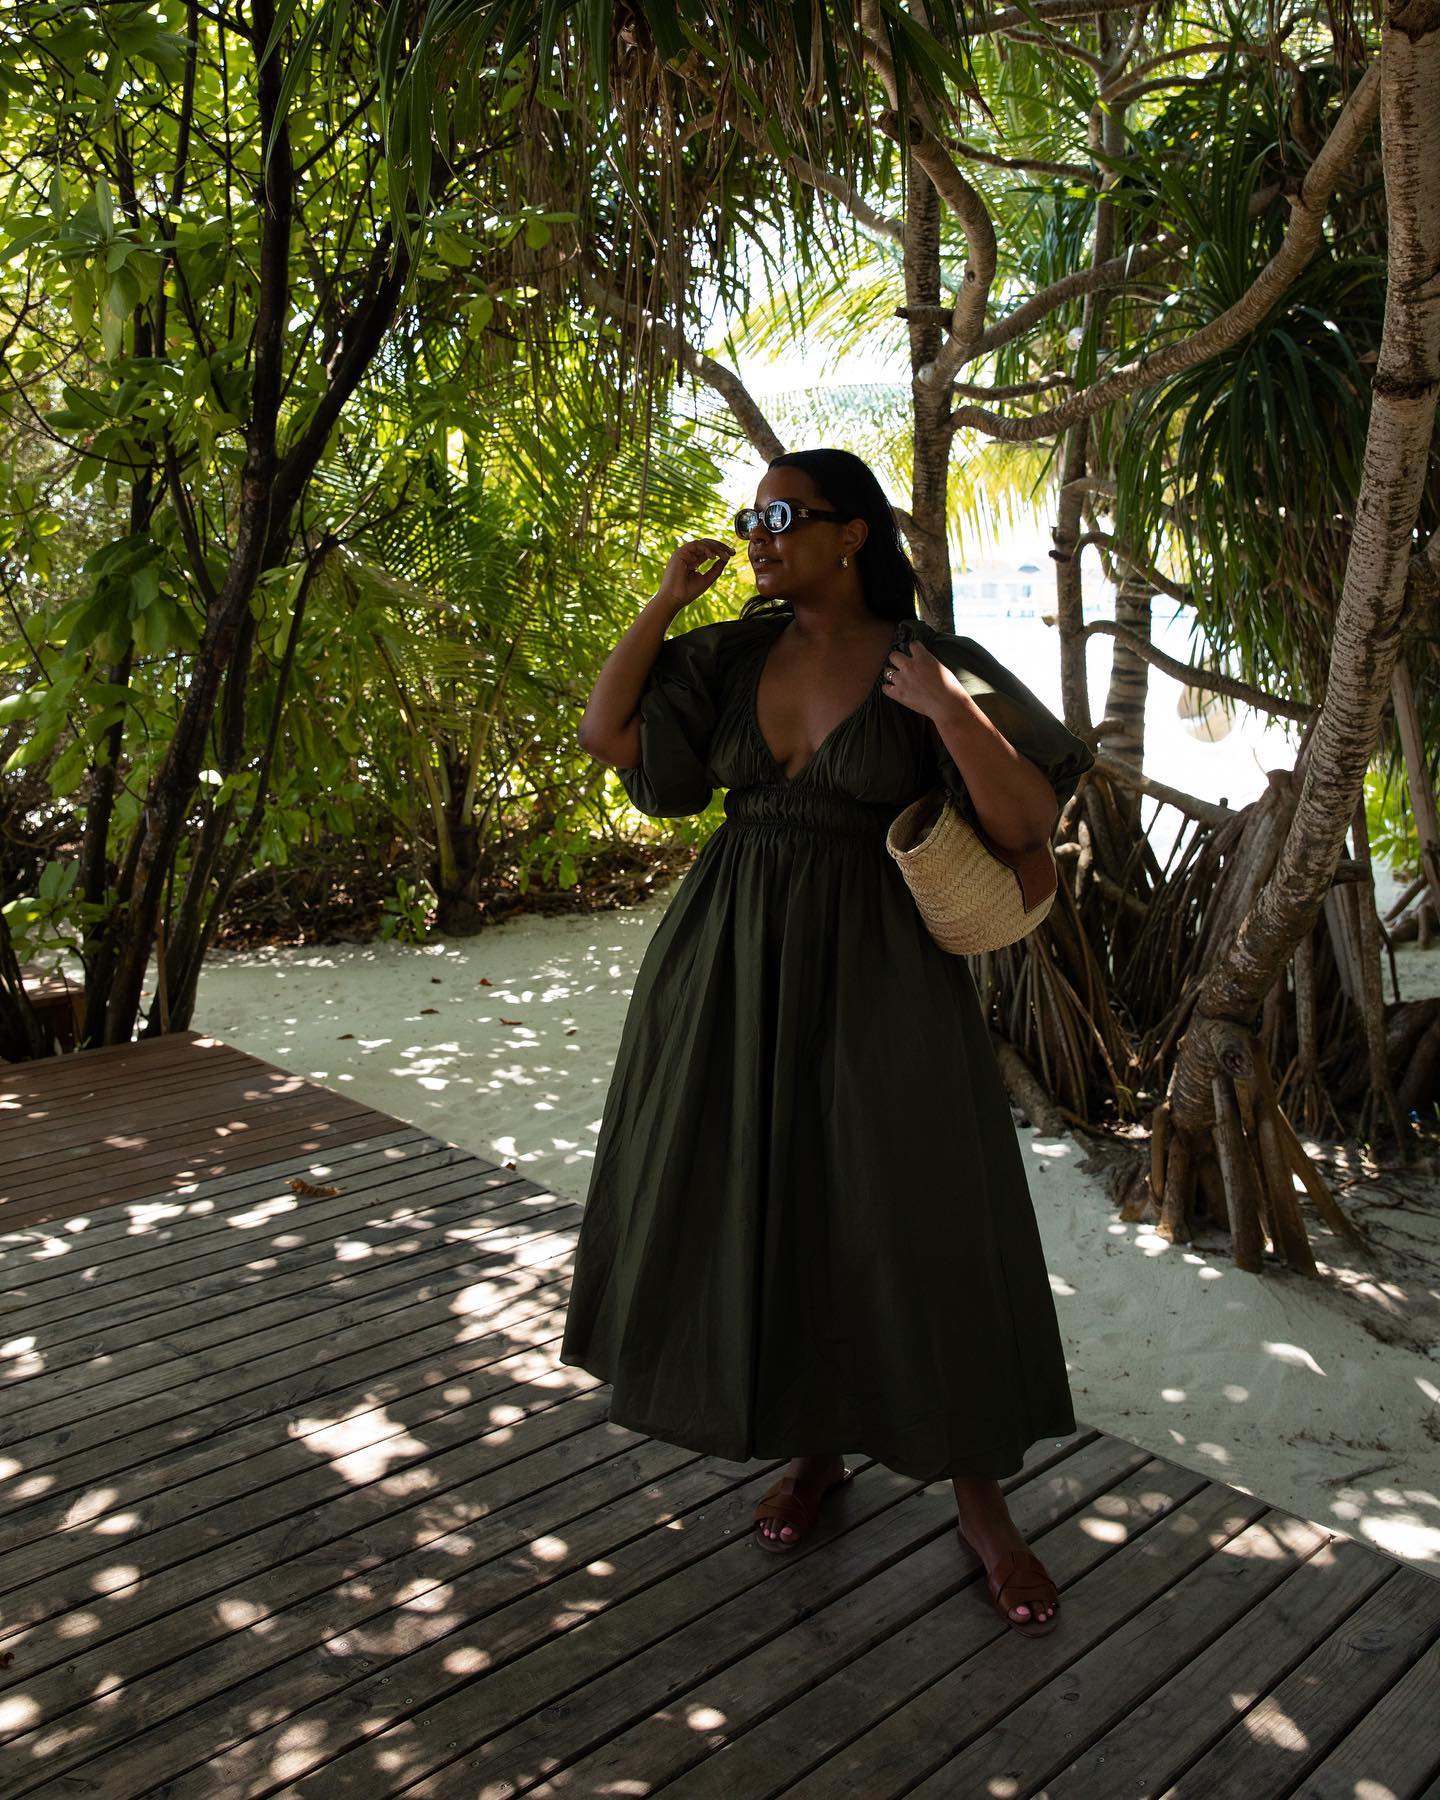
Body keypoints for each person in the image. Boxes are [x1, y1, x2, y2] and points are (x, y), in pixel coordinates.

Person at [560, 448, 1095, 1634]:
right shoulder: (732, 652)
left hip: (880, 973)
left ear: (852, 535)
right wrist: (662, 602)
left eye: (782, 515)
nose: (758, 535)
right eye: (751, 518)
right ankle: (811, 1454)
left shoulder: (928, 662)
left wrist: (947, 713)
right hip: (731, 957)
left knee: (916, 1211)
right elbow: (611, 740)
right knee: (776, 1191)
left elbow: (1026, 824)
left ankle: (981, 1504)